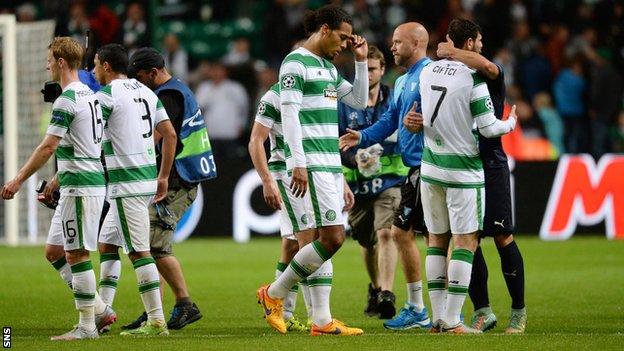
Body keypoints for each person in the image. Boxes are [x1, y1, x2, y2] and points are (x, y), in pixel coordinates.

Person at [256, 5, 367, 336]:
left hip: (330, 165)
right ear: (324, 30)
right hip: (310, 165)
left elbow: (360, 101)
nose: (346, 44)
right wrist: (297, 163)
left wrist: (360, 61)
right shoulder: (295, 64)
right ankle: (275, 294)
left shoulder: (329, 69)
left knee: (323, 240)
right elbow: (289, 115)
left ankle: (320, 320)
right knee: (329, 238)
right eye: (343, 37)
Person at [2, 37, 111, 340]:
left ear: (61, 62)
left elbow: (49, 146)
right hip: (78, 180)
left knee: (76, 254)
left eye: (49, 59)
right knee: (54, 251)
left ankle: (88, 326)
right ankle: (101, 311)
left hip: (81, 185)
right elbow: (84, 144)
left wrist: (18, 179)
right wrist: (57, 178)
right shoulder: (90, 96)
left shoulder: (66, 100)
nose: (46, 64)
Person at [417, 18, 516, 334]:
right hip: (463, 171)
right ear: (470, 43)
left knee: (435, 241)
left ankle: (437, 319)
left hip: (430, 168)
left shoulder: (427, 70)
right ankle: (453, 320)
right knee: (465, 241)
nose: (483, 45)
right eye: (480, 41)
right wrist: (511, 122)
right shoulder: (474, 79)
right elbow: (488, 127)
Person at [108, 47, 216, 331]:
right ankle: (154, 308)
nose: (138, 84)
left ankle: (182, 304)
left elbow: (156, 138)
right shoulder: (178, 88)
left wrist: (161, 175)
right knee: (151, 244)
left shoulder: (168, 96)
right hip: (184, 177)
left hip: (179, 180)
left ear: (153, 73)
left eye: (141, 78)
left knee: (154, 245)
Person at [339, 22, 432, 330]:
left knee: (405, 235)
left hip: (422, 171)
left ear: (416, 43)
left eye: (397, 41)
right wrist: (360, 139)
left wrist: (426, 122)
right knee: (377, 240)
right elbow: (392, 120)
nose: (392, 46)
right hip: (384, 178)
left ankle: (419, 304)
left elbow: (450, 115)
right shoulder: (405, 80)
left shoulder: (431, 75)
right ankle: (425, 308)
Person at [93, 43, 177, 336]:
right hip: (143, 180)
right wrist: (163, 176)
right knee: (107, 244)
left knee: (140, 253)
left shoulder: (105, 96)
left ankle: (156, 321)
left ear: (105, 66)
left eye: (95, 65)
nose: (93, 71)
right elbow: (169, 133)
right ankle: (101, 312)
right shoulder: (147, 93)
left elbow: (90, 135)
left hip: (126, 184)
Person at [338, 45, 404, 319]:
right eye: (365, 70)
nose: (370, 74)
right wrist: (355, 160)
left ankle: (386, 292)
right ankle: (375, 288)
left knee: (387, 233)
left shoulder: (395, 100)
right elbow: (336, 140)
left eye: (374, 69)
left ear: (382, 70)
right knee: (366, 242)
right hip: (357, 186)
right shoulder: (345, 104)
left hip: (390, 181)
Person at [248, 82, 313, 332]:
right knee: (308, 242)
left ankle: (283, 312)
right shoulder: (274, 96)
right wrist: (266, 181)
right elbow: (256, 140)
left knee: (293, 244)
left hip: (314, 172)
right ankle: (317, 316)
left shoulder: (318, 93)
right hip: (287, 175)